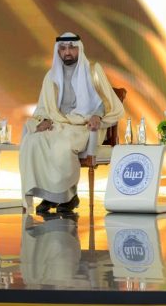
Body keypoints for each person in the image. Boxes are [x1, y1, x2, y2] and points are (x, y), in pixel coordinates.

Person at [20, 32, 124, 213]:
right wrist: (44, 120)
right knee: (33, 140)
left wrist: (97, 116)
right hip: (58, 123)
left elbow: (105, 100)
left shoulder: (93, 71)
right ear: (58, 51)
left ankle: (68, 196)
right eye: (63, 48)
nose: (67, 52)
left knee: (63, 143)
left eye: (71, 48)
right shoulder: (51, 76)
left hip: (84, 125)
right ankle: (49, 196)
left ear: (79, 49)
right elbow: (44, 106)